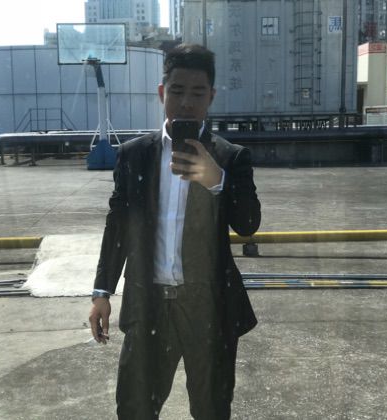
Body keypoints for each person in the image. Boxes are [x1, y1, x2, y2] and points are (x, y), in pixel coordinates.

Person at [89, 43, 261, 420]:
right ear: (161, 92)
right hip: (148, 303)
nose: (186, 103)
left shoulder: (230, 157)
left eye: (197, 93)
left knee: (211, 409)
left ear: (211, 96)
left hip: (209, 306)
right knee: (134, 408)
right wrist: (102, 292)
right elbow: (118, 225)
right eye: (177, 91)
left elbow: (249, 224)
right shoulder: (135, 154)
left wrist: (217, 180)